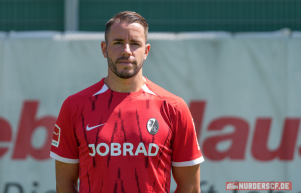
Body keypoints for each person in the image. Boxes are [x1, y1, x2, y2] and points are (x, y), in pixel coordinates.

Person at [50, 11, 204, 193]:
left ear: (146, 51)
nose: (126, 51)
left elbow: (191, 187)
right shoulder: (74, 107)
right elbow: (64, 185)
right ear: (104, 49)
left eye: (135, 44)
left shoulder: (174, 108)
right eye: (117, 43)